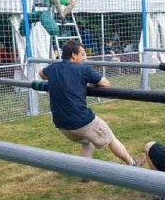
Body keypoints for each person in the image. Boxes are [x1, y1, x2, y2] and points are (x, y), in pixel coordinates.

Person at [38, 40, 142, 172]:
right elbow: (106, 83)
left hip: (61, 125)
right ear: (73, 55)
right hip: (82, 121)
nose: (84, 58)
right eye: (82, 55)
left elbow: (41, 74)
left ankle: (85, 174)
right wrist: (87, 84)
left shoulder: (53, 68)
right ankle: (133, 164)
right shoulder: (82, 69)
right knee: (111, 138)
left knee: (88, 143)